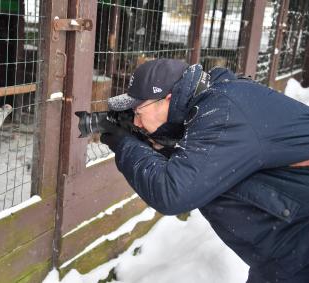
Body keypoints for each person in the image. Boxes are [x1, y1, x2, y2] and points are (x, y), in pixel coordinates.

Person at [99, 58, 309, 283]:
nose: (137, 122)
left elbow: (173, 193)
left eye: (138, 111)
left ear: (167, 99)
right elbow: (201, 163)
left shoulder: (223, 112)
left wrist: (125, 144)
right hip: (284, 251)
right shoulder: (213, 105)